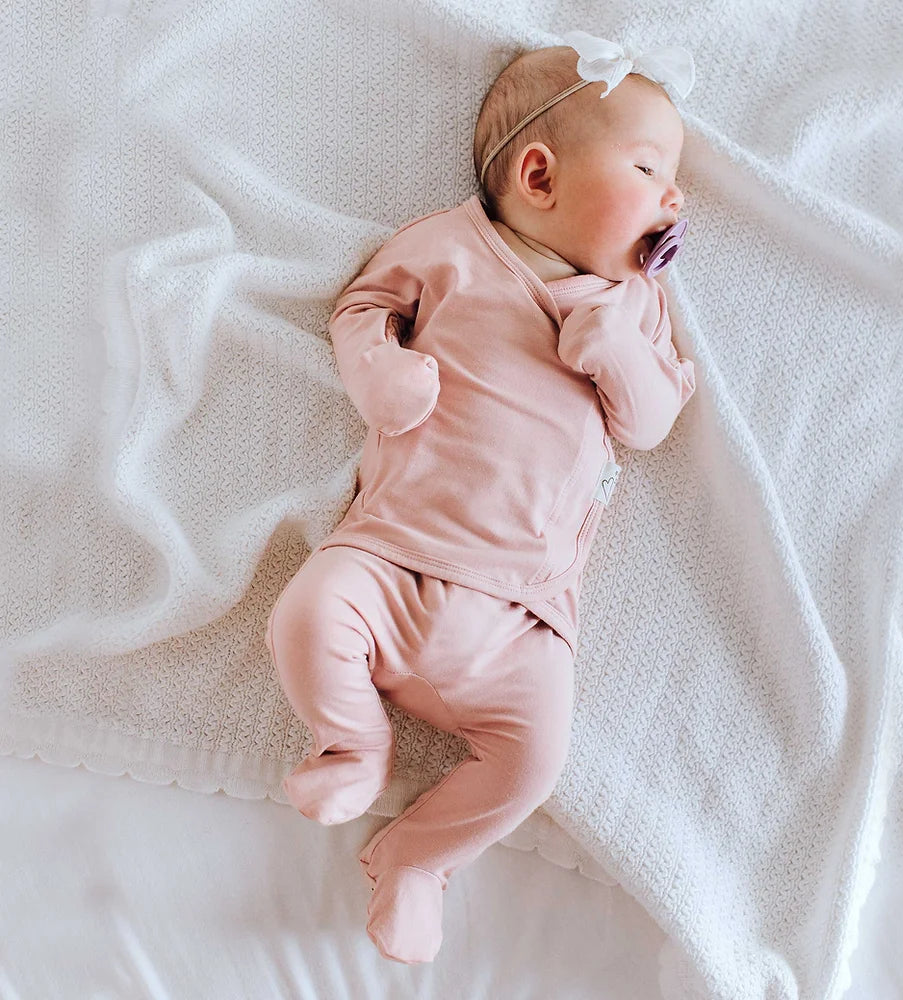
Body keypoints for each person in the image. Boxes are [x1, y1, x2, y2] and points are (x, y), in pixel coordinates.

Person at [265, 31, 697, 965]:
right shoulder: (446, 247)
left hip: (524, 617)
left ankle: (419, 861)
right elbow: (360, 307)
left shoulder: (634, 306)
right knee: (306, 614)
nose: (675, 197)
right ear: (539, 176)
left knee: (533, 760)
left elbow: (654, 419)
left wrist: (617, 352)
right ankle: (349, 741)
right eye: (650, 166)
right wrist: (378, 371)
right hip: (389, 553)